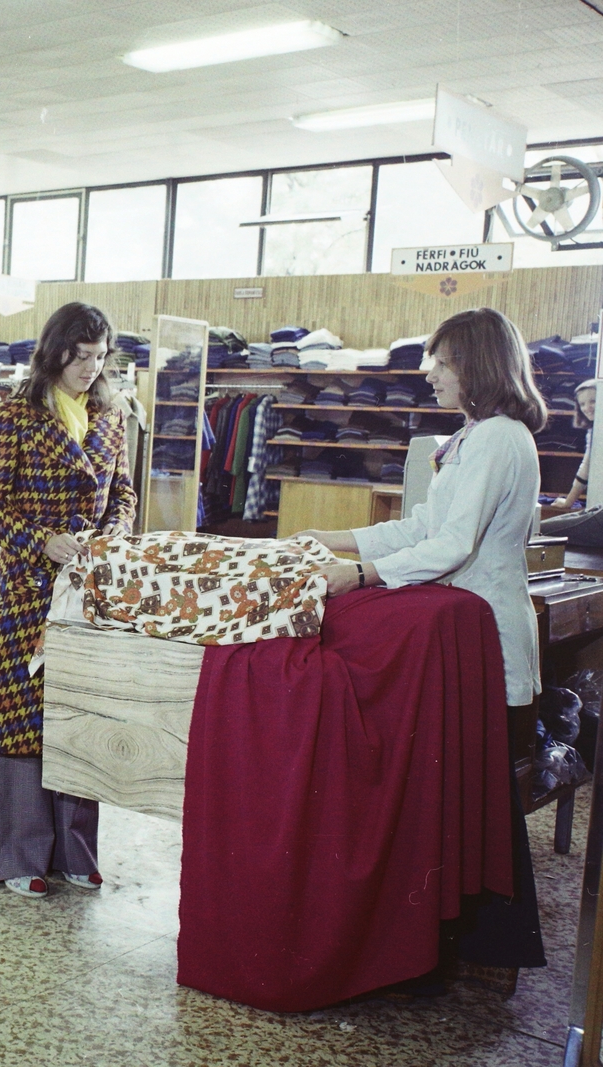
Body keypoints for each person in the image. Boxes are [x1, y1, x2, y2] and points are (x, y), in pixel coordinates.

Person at [301, 306, 547, 983]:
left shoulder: (498, 438)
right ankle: (463, 944)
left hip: (486, 641)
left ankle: (481, 947)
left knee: (482, 799)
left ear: (477, 363)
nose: (429, 371)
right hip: (463, 641)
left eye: (442, 360)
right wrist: (338, 540)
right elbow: (420, 527)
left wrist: (360, 573)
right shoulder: (477, 436)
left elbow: (451, 543)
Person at [0, 302, 137, 900]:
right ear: (55, 351)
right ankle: (17, 854)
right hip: (28, 591)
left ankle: (75, 852)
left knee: (78, 714)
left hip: (89, 590)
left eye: (99, 356)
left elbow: (124, 491)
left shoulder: (112, 417)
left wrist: (112, 533)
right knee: (20, 720)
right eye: (79, 355)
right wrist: (44, 541)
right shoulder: (13, 415)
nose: (91, 367)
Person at [556, 379, 596, 510]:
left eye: (593, 401)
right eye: (582, 404)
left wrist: (568, 502)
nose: (587, 408)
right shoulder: (594, 428)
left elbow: (587, 467)